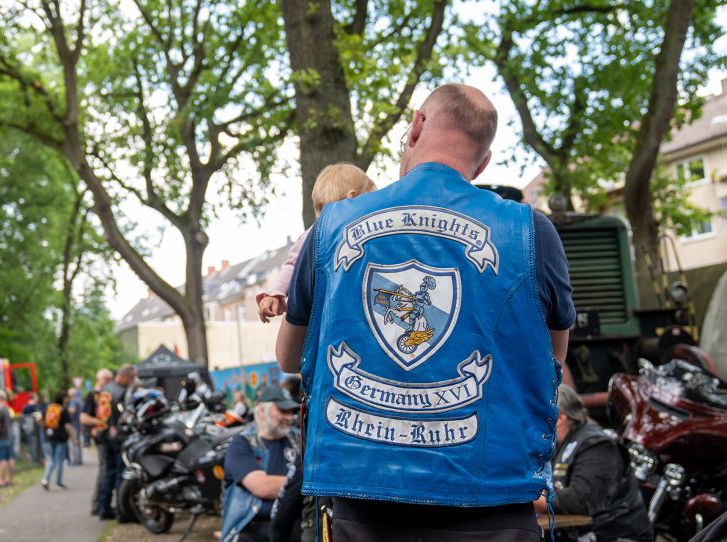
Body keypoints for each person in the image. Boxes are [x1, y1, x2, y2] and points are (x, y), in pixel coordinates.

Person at [276, 83, 576, 541]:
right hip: (494, 506)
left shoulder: (330, 227)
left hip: (365, 503)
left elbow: (288, 357)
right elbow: (551, 358)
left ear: (415, 126)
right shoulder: (531, 230)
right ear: (484, 161)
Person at [257, 163, 376, 323]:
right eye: (370, 199)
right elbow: (292, 265)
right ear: (352, 198)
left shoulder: (367, 234)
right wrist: (275, 293)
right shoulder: (313, 236)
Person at [534, 386, 652, 541]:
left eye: (537, 416)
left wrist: (524, 498)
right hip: (577, 533)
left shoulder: (597, 446)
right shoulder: (557, 445)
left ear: (560, 418)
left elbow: (578, 501)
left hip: (617, 535)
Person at [220, 386, 301, 542]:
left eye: (291, 412)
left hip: (296, 522)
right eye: (282, 411)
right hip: (252, 526)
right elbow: (262, 487)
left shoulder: (299, 439)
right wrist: (303, 483)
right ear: (262, 411)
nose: (289, 417)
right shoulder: (242, 443)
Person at [97, 364, 136, 522]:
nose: (132, 381)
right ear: (125, 376)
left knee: (108, 472)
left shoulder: (106, 389)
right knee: (120, 472)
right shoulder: (121, 392)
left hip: (104, 435)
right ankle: (121, 512)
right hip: (116, 437)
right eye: (132, 378)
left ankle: (104, 508)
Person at [80, 368, 114, 516]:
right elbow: (84, 418)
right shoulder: (92, 395)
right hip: (101, 438)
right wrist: (100, 422)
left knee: (106, 469)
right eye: (104, 379)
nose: (106, 382)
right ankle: (98, 504)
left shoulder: (110, 394)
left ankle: (100, 503)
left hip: (110, 437)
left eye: (108, 380)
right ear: (99, 379)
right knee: (104, 469)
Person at [40, 390, 79, 490]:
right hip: (61, 438)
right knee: (59, 461)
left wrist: (45, 429)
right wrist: (74, 439)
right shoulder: (63, 410)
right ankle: (58, 482)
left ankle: (45, 479)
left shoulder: (48, 408)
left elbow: (40, 420)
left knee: (51, 460)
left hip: (49, 437)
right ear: (63, 398)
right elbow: (67, 426)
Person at [21, 392, 45, 465]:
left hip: (28, 428)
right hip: (36, 428)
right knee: (39, 443)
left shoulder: (25, 407)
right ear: (34, 398)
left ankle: (35, 460)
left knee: (32, 444)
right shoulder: (36, 406)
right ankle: (40, 459)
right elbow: (39, 415)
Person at [67, 387, 83, 465]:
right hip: (80, 423)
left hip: (74, 423)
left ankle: (76, 460)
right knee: (78, 441)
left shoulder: (73, 401)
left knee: (75, 442)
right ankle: (79, 459)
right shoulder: (80, 401)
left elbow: (72, 410)